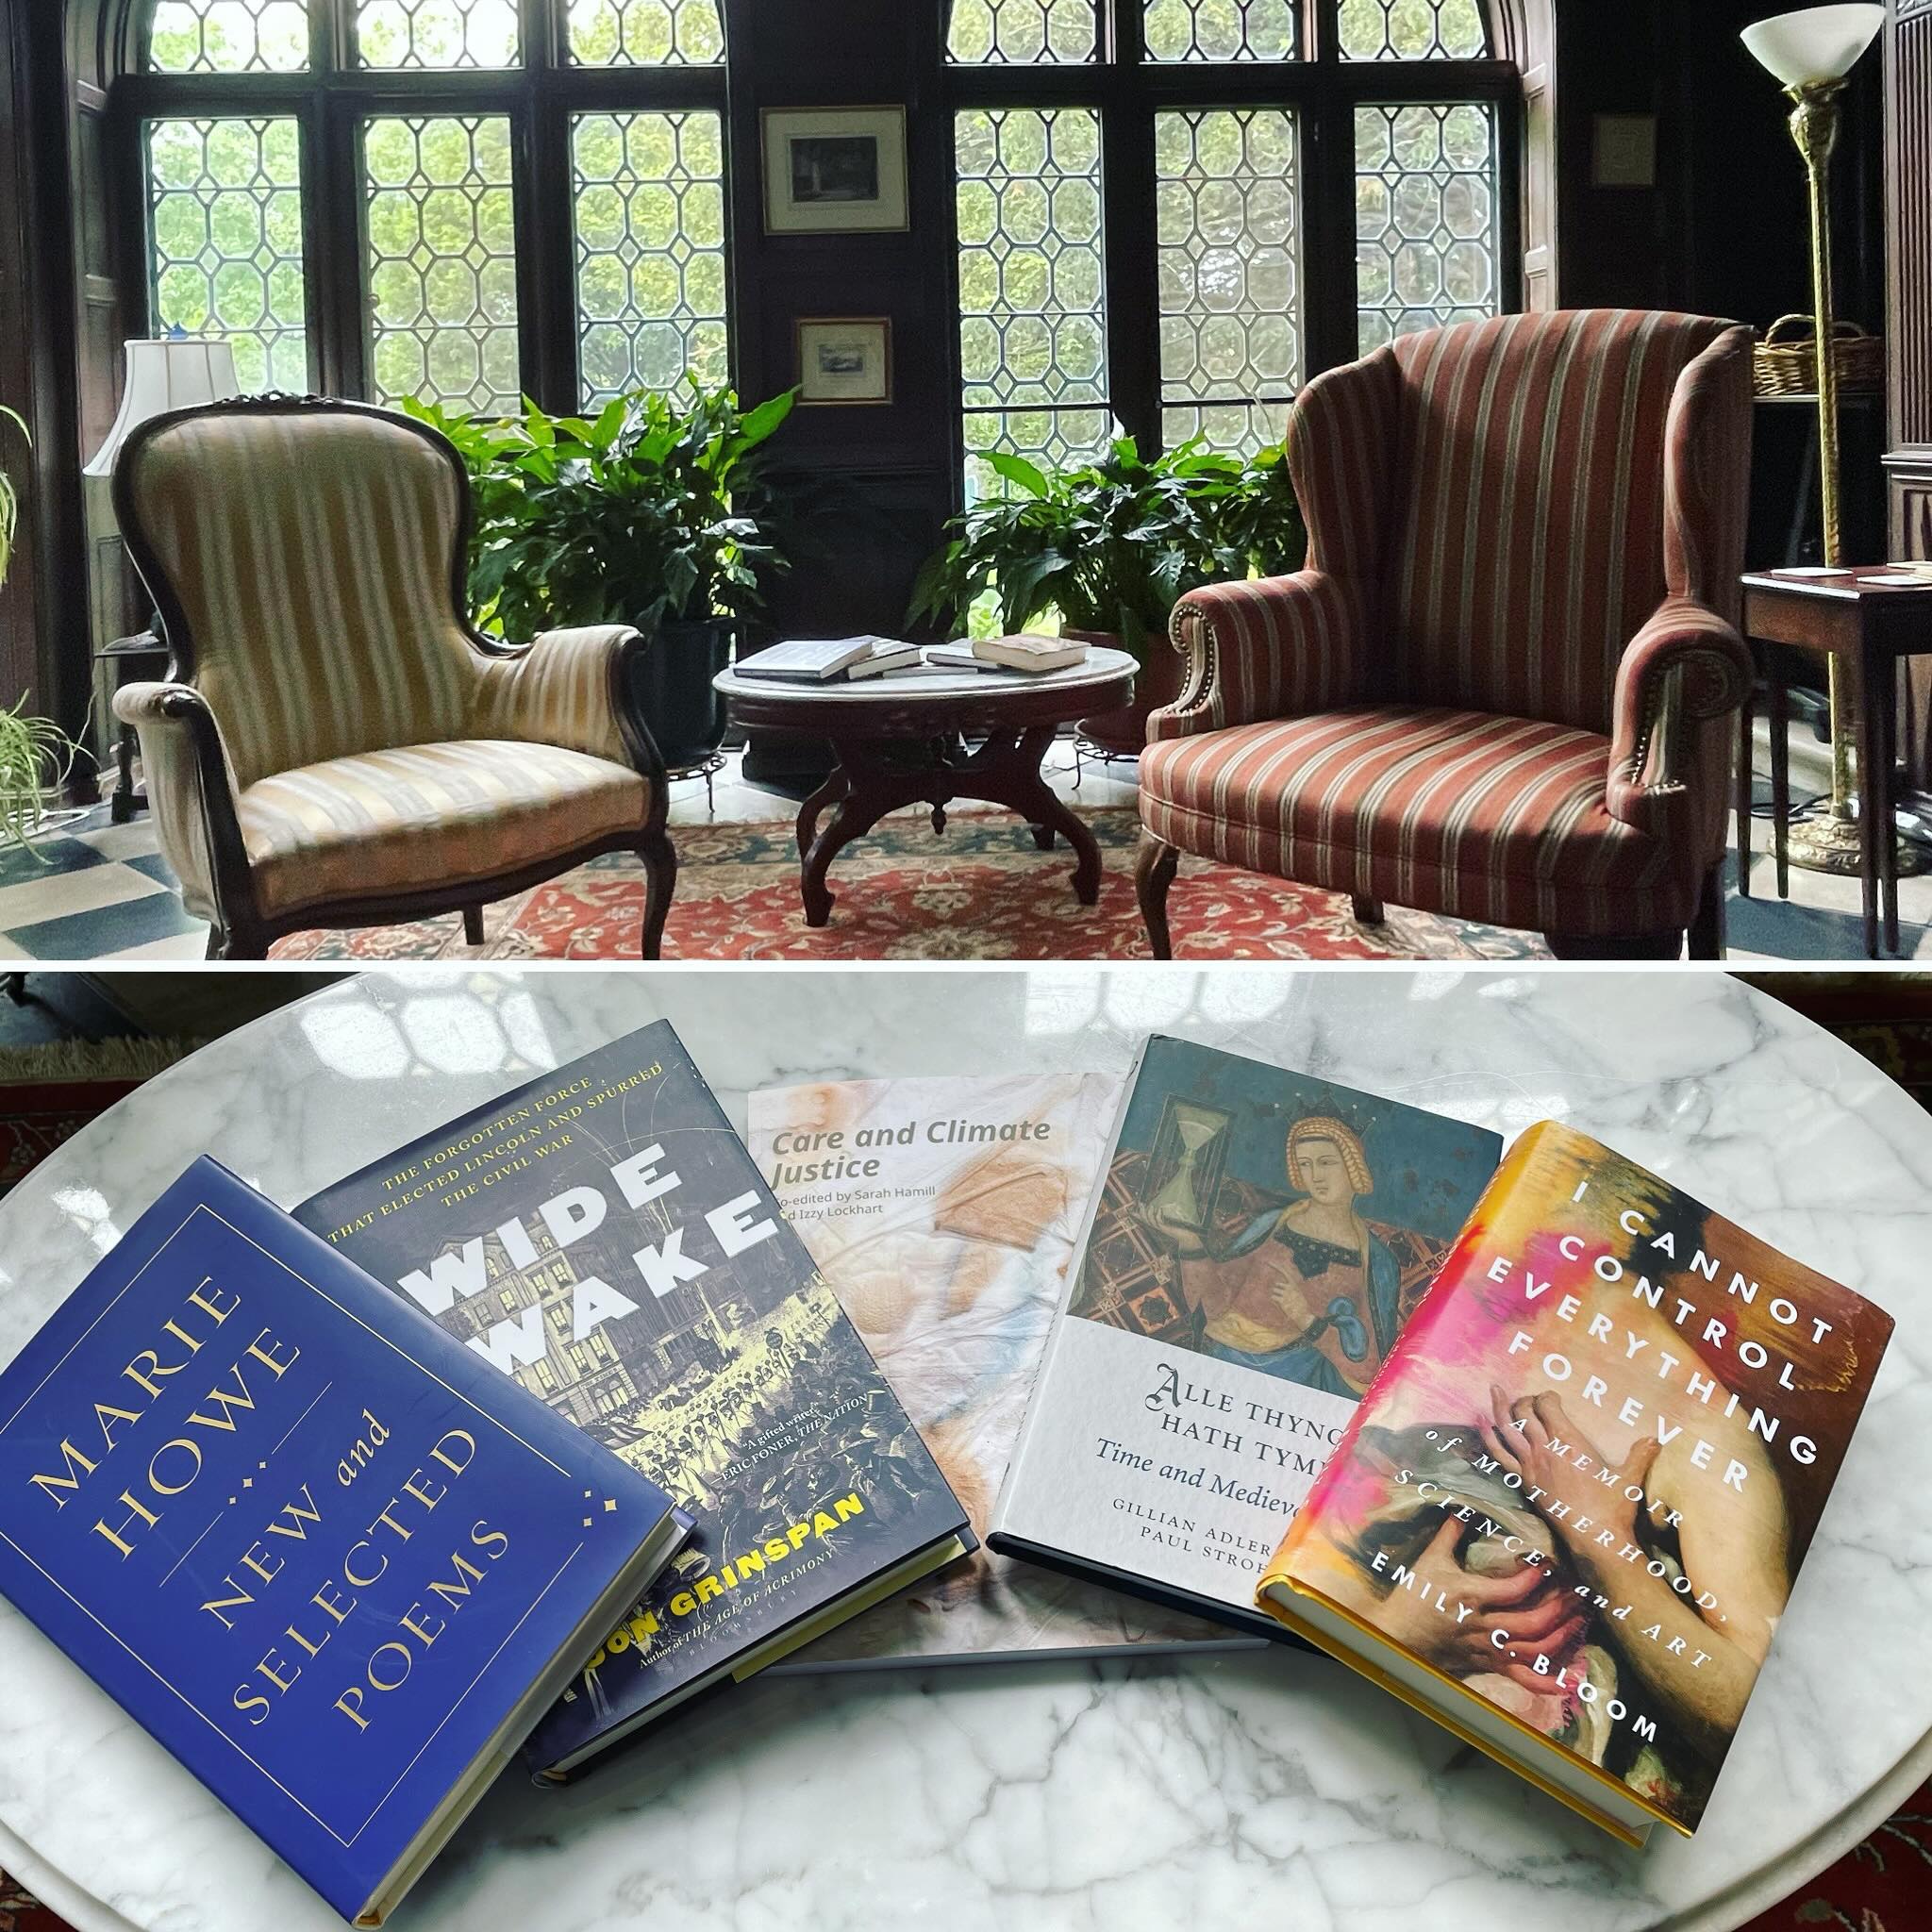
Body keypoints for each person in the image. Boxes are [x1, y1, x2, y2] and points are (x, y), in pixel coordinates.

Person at [1143, 1115, 1402, 1396]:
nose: (1315, 1176)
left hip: (1296, 1384)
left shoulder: (1377, 1261)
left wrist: (1305, 1318)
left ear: (1352, 1165)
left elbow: (1369, 1370)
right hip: (1222, 1368)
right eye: (1305, 1164)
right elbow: (1211, 1304)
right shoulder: (1271, 1224)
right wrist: (1189, 1241)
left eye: (1326, 1162)